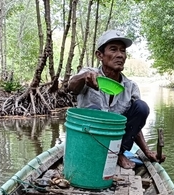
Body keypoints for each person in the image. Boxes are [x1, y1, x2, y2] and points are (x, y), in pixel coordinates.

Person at [68, 29, 165, 169]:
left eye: (123, 51)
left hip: (116, 142)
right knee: (94, 111)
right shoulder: (89, 74)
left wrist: (147, 151)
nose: (120, 55)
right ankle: (114, 154)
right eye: (113, 50)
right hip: (89, 141)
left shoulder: (130, 87)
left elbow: (134, 126)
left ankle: (117, 153)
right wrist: (83, 78)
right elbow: (71, 87)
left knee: (141, 107)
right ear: (100, 55)